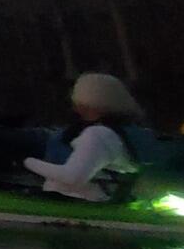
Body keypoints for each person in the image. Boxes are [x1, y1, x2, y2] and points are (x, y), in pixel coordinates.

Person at [24, 73, 141, 201]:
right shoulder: (118, 130)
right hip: (80, 195)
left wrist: (27, 161)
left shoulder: (99, 134)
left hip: (80, 197)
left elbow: (72, 177)